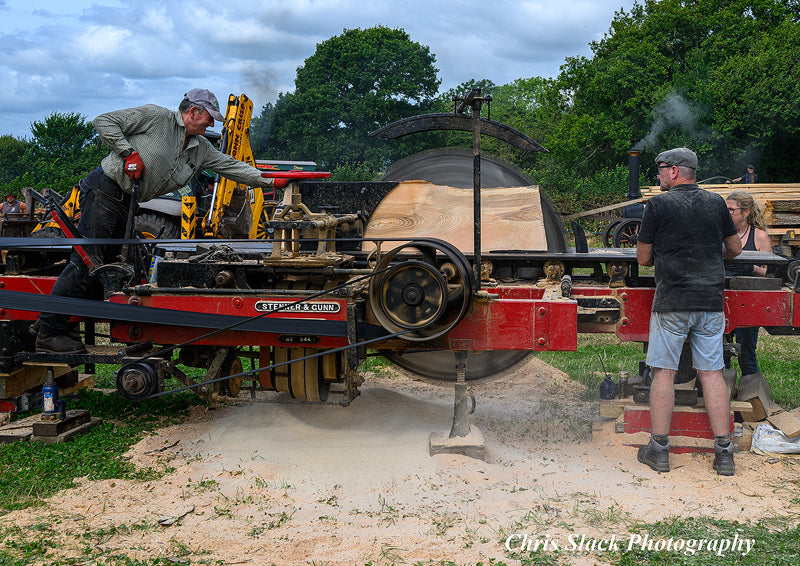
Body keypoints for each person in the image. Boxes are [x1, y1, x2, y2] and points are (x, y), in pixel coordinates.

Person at [34, 88, 278, 354]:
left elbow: (232, 166)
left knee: (112, 268)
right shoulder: (155, 117)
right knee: (87, 263)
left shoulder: (200, 149)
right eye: (209, 117)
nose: (212, 123)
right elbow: (103, 121)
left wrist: (272, 180)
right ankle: (48, 332)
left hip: (128, 201)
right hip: (105, 191)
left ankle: (55, 322)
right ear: (193, 111)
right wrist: (128, 152)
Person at [636, 147, 742, 476]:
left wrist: (662, 255)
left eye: (661, 170)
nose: (658, 176)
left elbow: (643, 258)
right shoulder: (715, 203)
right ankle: (724, 453)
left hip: (673, 302)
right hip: (709, 301)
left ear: (675, 172)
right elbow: (735, 249)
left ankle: (660, 450)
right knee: (711, 373)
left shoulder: (656, 205)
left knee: (663, 372)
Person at [725, 190, 772, 376]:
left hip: (748, 301)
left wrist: (751, 267)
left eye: (731, 210)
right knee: (720, 354)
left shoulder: (759, 236)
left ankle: (751, 393)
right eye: (725, 209)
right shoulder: (720, 235)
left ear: (746, 213)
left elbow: (769, 272)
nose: (727, 213)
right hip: (723, 299)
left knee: (747, 354)